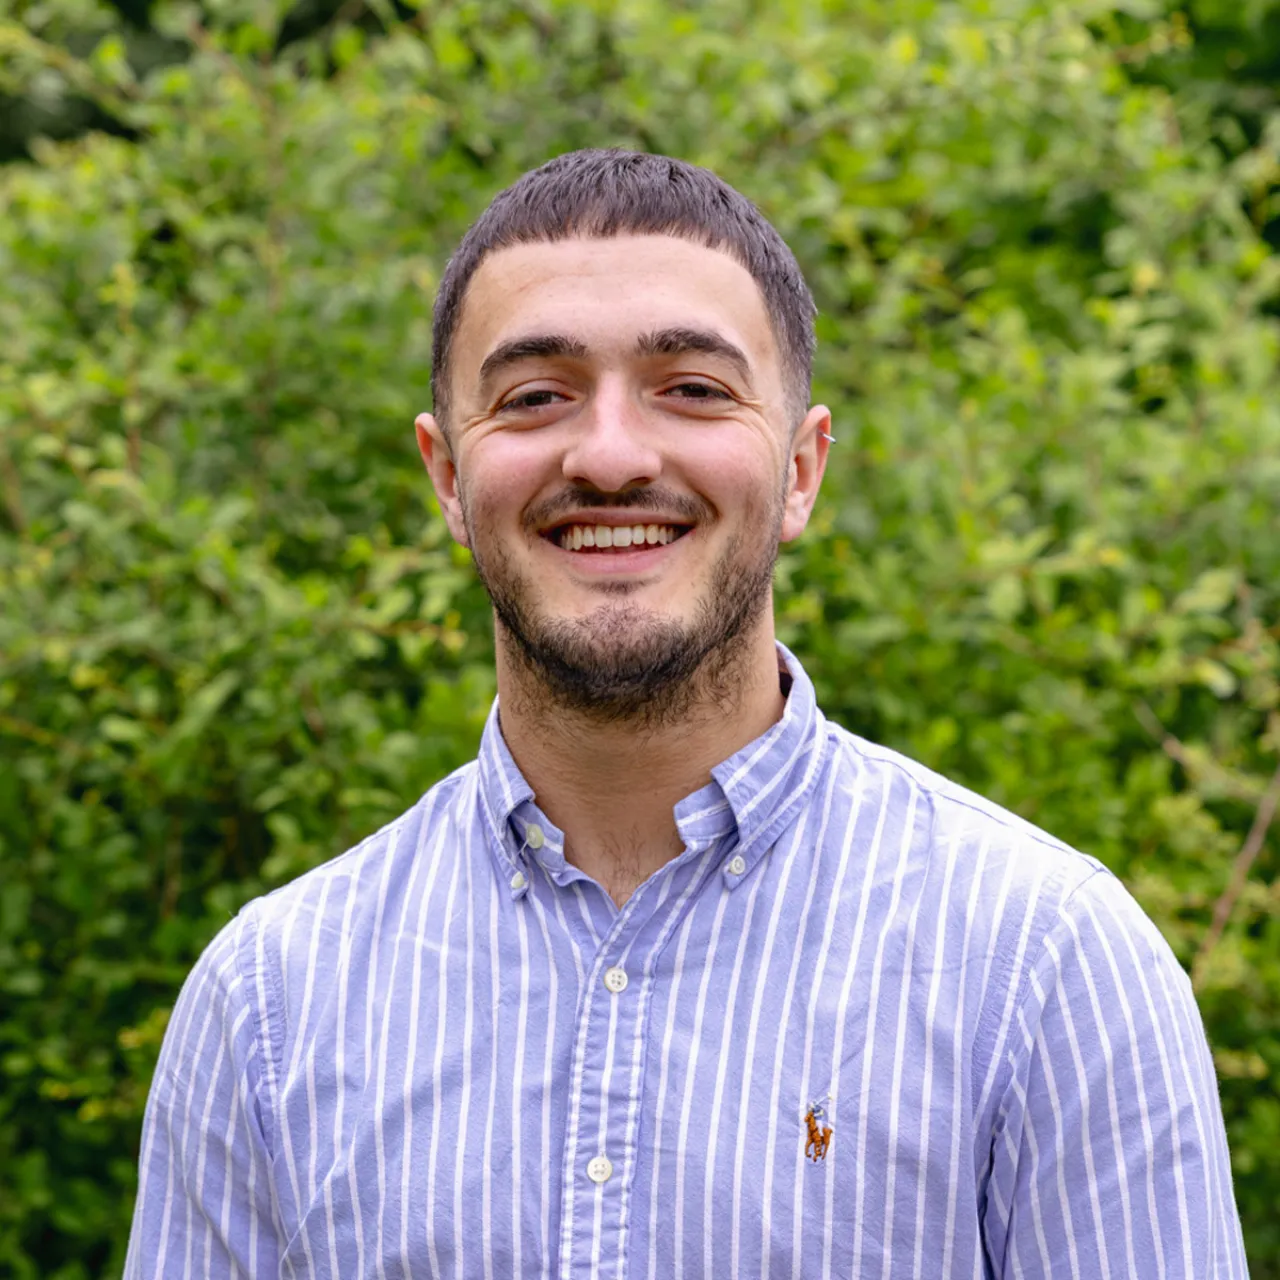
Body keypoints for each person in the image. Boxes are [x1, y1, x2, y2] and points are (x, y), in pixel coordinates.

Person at [125, 149, 1247, 1279]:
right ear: (448, 476)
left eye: (694, 388)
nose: (611, 455)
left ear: (800, 469)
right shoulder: (269, 1003)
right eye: (535, 396)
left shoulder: (1045, 966)